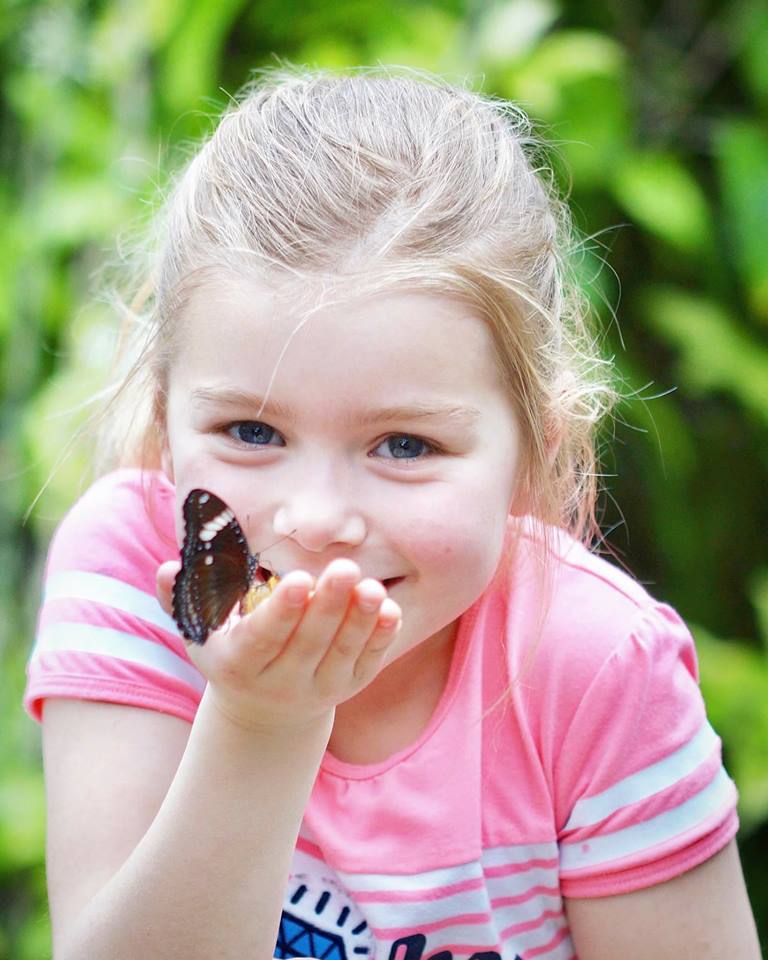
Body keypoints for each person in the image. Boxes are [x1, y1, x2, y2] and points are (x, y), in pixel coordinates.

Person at [27, 66, 760, 960]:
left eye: (404, 447)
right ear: (162, 411)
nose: (318, 519)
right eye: (251, 429)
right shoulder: (134, 571)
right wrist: (264, 724)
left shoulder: (599, 668)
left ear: (533, 451)